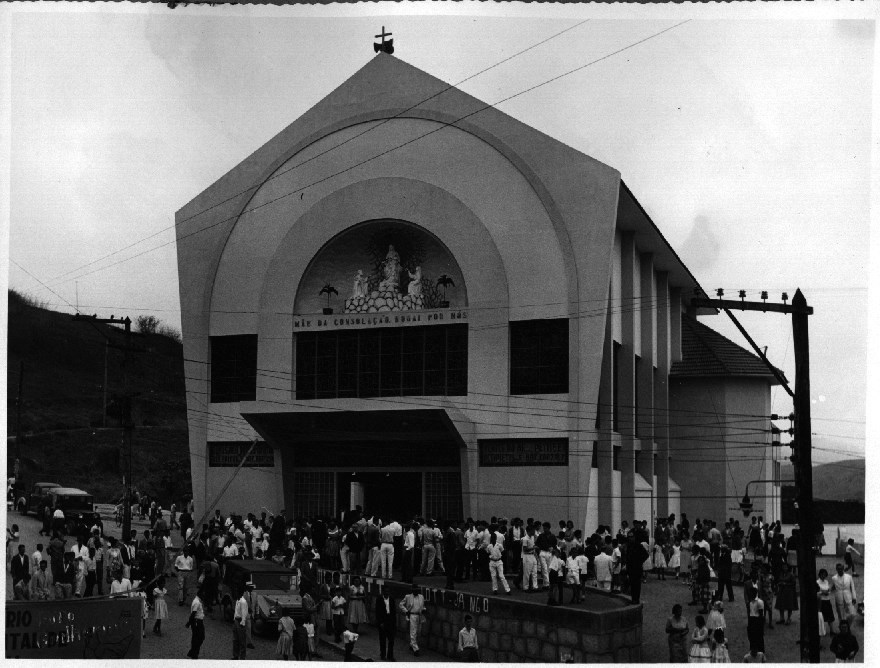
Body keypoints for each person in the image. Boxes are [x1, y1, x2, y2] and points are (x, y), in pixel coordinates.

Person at [400, 583, 426, 656]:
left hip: (419, 615)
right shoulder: (408, 597)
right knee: (413, 632)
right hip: (412, 615)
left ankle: (412, 644)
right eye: (415, 590)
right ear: (412, 590)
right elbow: (401, 604)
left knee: (418, 632)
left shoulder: (421, 597)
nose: (416, 591)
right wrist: (406, 611)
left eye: (417, 590)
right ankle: (416, 649)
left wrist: (424, 609)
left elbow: (423, 606)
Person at [830, 562, 857, 631]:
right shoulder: (834, 578)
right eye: (838, 569)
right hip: (839, 598)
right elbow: (832, 587)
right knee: (841, 615)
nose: (840, 570)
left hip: (848, 597)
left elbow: (852, 587)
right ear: (836, 569)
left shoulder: (849, 577)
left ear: (843, 568)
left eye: (841, 569)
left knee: (852, 614)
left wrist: (854, 597)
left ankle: (847, 626)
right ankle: (843, 629)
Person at [185, 587, 207, 659]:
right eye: (203, 594)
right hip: (197, 622)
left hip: (197, 621)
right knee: (199, 637)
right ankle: (194, 652)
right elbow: (193, 614)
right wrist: (189, 622)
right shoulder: (197, 602)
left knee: (197, 638)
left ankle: (193, 652)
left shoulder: (198, 601)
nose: (204, 596)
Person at [816, 568, 835, 642]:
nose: (823, 576)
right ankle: (821, 631)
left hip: (827, 600)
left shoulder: (826, 581)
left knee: (830, 616)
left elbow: (828, 590)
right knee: (821, 616)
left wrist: (828, 592)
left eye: (825, 575)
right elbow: (817, 592)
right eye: (822, 574)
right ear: (819, 574)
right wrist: (823, 592)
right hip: (821, 601)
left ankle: (832, 631)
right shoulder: (817, 582)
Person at [746, 588, 765, 655]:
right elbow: (750, 613)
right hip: (752, 620)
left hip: (757, 620)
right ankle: (753, 649)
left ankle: (760, 651)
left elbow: (761, 614)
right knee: (751, 636)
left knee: (759, 636)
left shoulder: (759, 602)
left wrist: (761, 626)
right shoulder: (750, 602)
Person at [232, 585, 249, 659]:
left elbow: (244, 613)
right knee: (235, 640)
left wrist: (242, 623)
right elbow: (236, 612)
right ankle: (235, 655)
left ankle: (242, 657)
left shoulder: (243, 602)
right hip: (236, 621)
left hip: (240, 622)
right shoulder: (238, 600)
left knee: (242, 641)